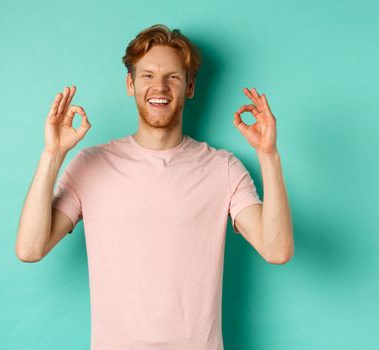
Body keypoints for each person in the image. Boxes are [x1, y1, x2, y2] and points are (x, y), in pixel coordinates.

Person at [15, 24, 293, 350]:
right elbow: (30, 249)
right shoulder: (90, 165)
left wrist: (269, 156)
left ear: (189, 87)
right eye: (147, 75)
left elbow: (276, 250)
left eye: (173, 77)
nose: (159, 86)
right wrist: (53, 154)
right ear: (130, 84)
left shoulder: (223, 169)